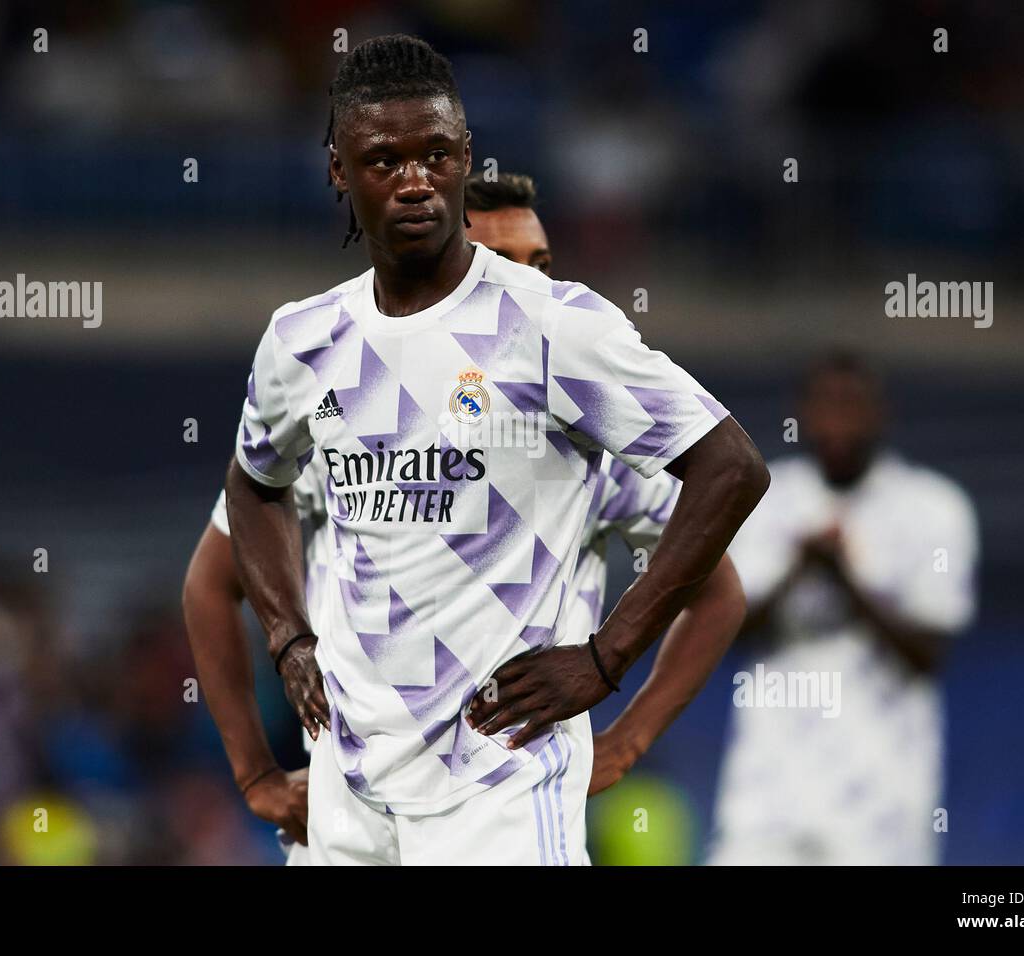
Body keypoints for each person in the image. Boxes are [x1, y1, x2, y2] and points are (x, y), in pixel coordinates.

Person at [223, 34, 768, 865]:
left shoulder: (551, 323)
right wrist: (289, 637)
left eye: (435, 155)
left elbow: (731, 465)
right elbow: (254, 485)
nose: (414, 181)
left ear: (465, 158)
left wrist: (606, 657)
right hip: (350, 782)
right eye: (383, 161)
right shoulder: (302, 340)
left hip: (498, 783)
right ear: (338, 169)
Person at [706, 352, 979, 865]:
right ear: (802, 413)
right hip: (768, 792)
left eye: (852, 406)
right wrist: (799, 569)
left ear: (881, 414)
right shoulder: (764, 498)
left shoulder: (934, 507)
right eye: (824, 406)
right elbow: (728, 632)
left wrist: (847, 580)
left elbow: (928, 653)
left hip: (882, 802)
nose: (837, 422)